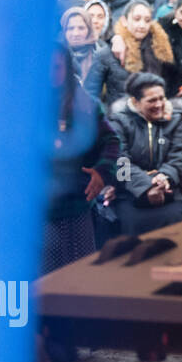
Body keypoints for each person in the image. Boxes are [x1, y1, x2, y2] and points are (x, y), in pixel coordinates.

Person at [44, 43, 119, 275]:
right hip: (38, 208)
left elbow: (111, 142)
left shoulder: (83, 104)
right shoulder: (20, 106)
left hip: (76, 205)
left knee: (80, 276)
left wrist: (101, 172)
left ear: (66, 68)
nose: (50, 73)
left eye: (56, 66)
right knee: (42, 282)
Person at [108, 72, 182, 236]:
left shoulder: (177, 120)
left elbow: (180, 157)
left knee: (175, 220)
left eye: (162, 98)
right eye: (152, 100)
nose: (159, 104)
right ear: (135, 102)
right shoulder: (118, 122)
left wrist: (163, 178)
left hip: (167, 190)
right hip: (130, 192)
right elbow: (120, 161)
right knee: (129, 224)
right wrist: (146, 186)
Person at [83, 0, 175, 107]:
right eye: (137, 19)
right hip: (117, 120)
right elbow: (89, 95)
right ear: (124, 21)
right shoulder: (107, 54)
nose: (142, 25)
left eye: (147, 20)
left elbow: (169, 89)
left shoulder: (160, 51)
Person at [60, 6, 97, 85]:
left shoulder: (99, 52)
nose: (76, 33)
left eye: (81, 28)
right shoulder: (56, 54)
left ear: (89, 29)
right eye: (70, 28)